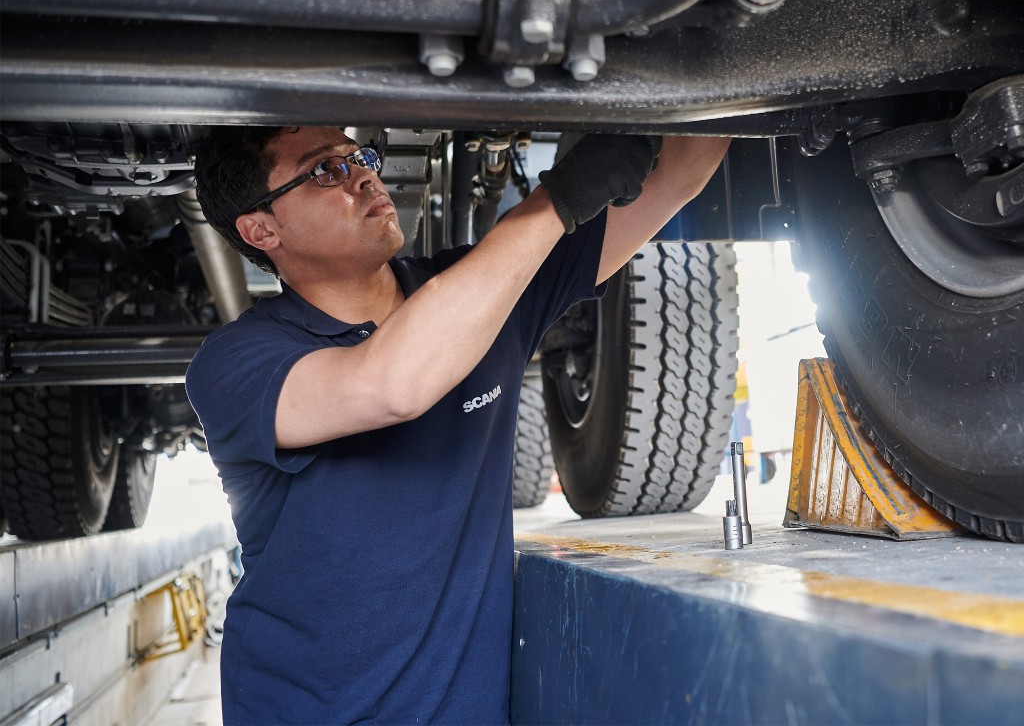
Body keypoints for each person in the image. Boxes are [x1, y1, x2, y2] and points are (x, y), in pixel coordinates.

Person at [185, 125, 730, 725]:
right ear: (262, 229)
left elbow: (680, 176)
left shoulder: (486, 295)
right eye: (325, 171)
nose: (366, 174)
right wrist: (557, 199)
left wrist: (701, 72)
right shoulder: (237, 362)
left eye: (359, 156)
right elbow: (393, 386)